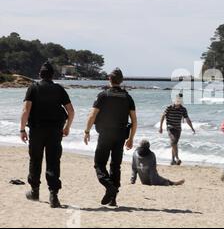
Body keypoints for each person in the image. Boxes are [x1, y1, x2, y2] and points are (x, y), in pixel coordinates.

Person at [19, 61, 75, 208]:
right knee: (53, 162)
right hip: (55, 132)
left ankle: (35, 191)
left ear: (40, 74)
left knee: (35, 160)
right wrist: (67, 127)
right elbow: (71, 111)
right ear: (52, 75)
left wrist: (22, 129)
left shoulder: (33, 88)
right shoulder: (59, 89)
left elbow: (26, 110)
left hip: (37, 130)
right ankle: (53, 196)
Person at [83, 68, 137, 206]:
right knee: (115, 166)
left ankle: (109, 187)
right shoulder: (127, 97)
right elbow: (134, 120)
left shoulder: (103, 95)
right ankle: (113, 198)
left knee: (99, 164)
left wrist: (87, 131)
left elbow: (92, 115)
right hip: (120, 136)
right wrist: (131, 138)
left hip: (105, 134)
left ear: (109, 79)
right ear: (122, 80)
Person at [159, 93, 195, 166]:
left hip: (178, 129)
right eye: (178, 99)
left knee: (174, 143)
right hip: (170, 127)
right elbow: (163, 116)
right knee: (173, 142)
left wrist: (192, 128)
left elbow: (187, 119)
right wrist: (160, 127)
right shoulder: (169, 107)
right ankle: (177, 158)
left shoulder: (183, 109)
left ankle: (173, 161)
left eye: (180, 100)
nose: (179, 101)